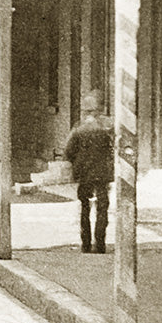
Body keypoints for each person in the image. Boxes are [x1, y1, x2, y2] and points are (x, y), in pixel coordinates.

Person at [64, 97, 114, 253]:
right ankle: (100, 244)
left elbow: (69, 151)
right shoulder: (107, 128)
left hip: (84, 173)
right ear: (98, 110)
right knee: (102, 207)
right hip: (102, 174)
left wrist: (77, 164)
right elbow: (113, 149)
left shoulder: (79, 128)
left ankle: (85, 244)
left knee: (85, 207)